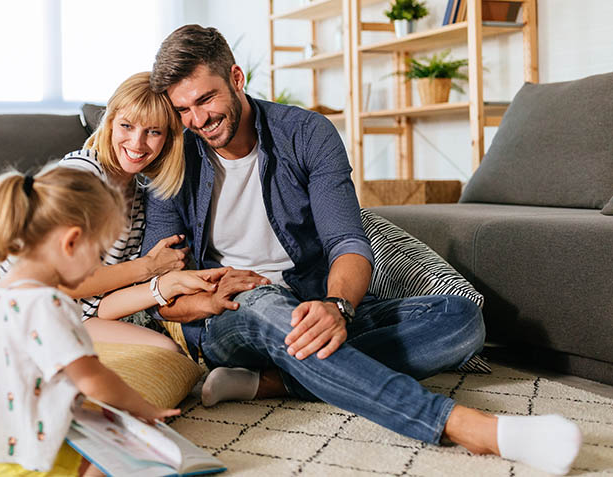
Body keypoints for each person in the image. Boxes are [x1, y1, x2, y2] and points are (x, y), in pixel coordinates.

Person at [141, 24, 582, 476]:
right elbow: (160, 295)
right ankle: (470, 427)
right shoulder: (174, 155)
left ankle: (278, 382)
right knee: (268, 303)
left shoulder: (306, 133)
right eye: (183, 109)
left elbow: (347, 241)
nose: (196, 120)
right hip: (231, 317)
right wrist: (210, 299)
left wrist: (337, 306)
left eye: (205, 99)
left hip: (311, 302)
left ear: (236, 78)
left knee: (462, 319)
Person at [0, 72, 203, 428]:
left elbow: (96, 303)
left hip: (59, 318)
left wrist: (162, 287)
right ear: (109, 121)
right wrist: (148, 268)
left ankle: (55, 408)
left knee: (169, 357)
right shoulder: (81, 174)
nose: (137, 142)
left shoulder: (139, 198)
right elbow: (65, 282)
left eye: (153, 132)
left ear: (168, 140)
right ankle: (40, 409)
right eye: (127, 125)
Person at [0, 165, 203, 476]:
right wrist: (142, 407)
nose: (99, 267)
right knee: (142, 457)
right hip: (31, 458)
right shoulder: (49, 304)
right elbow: (94, 379)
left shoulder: (3, 290)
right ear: (71, 243)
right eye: (100, 254)